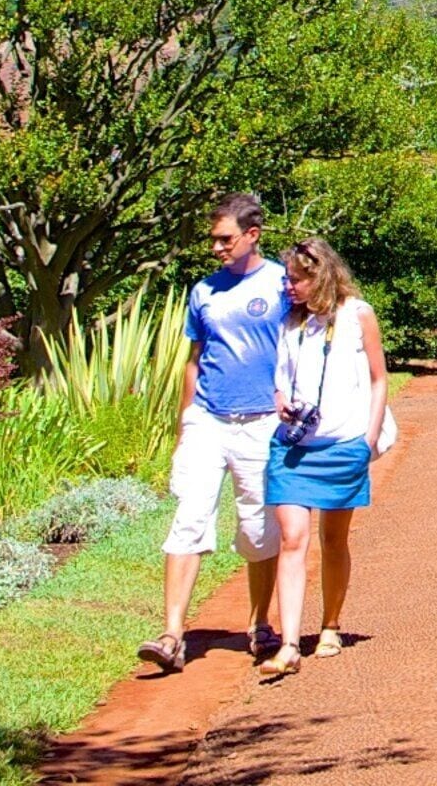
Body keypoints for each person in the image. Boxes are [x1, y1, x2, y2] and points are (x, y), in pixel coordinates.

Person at [141, 193, 286, 675]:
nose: (217, 248)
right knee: (189, 518)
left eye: (225, 239)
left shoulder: (283, 283)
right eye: (214, 240)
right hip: (208, 419)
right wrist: (185, 424)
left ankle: (260, 623)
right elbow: (194, 359)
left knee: (257, 526)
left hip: (262, 421)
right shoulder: (203, 291)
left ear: (252, 235)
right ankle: (171, 634)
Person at [256, 236, 389, 682]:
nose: (288, 287)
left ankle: (330, 624)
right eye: (286, 279)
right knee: (293, 538)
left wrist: (366, 441)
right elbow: (279, 381)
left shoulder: (356, 315)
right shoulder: (287, 322)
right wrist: (280, 401)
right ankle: (291, 644)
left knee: (333, 540)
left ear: (321, 276)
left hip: (342, 445)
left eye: (296, 279)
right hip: (294, 448)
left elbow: (378, 379)